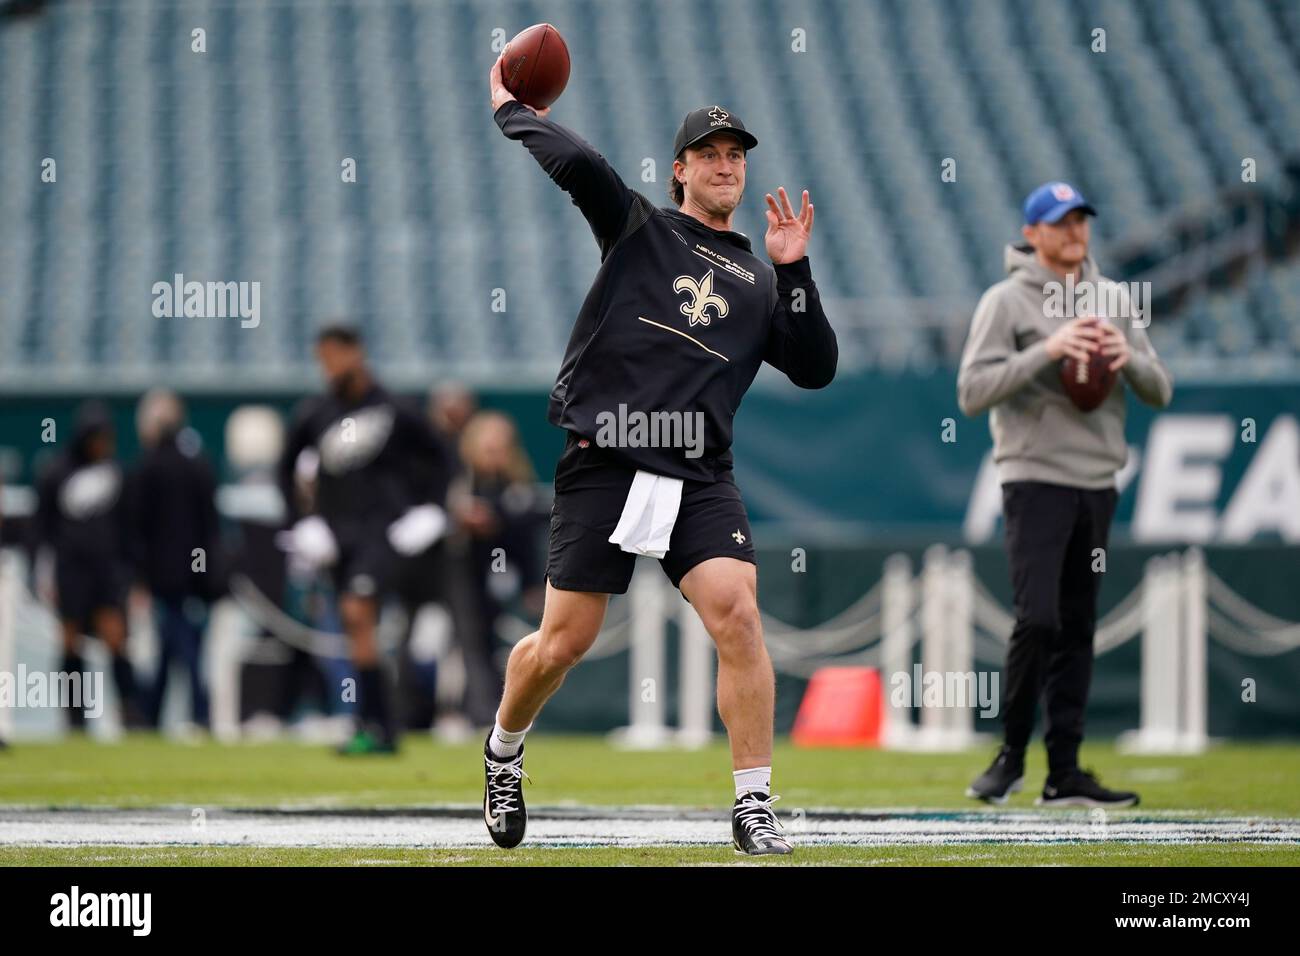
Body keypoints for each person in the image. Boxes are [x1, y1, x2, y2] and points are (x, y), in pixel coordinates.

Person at [485, 57, 838, 854]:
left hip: (698, 467)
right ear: (680, 170)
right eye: (709, 153)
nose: (725, 164)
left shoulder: (755, 274)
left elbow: (816, 367)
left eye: (736, 155)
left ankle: (753, 805)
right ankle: (503, 749)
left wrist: (795, 270)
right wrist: (510, 104)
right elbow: (580, 166)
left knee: (739, 616)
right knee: (562, 644)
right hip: (608, 455)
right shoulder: (641, 226)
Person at [957, 181, 1173, 808]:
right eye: (1060, 221)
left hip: (1098, 481)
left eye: (1081, 219)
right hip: (1033, 476)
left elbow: (1160, 387)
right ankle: (1010, 758)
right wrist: (1048, 349)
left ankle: (1065, 771)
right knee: (1039, 619)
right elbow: (971, 393)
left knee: (1078, 626)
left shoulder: (1114, 300)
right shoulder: (1005, 302)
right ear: (1032, 233)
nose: (1075, 230)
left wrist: (1125, 354)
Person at [278, 325, 453, 754]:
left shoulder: (396, 409)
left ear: (357, 353)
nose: (329, 367)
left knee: (357, 613)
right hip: (338, 537)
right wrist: (303, 521)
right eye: (323, 359)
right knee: (357, 627)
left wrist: (433, 509)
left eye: (335, 356)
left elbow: (443, 458)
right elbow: (286, 470)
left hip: (384, 533)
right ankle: (378, 727)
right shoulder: (315, 413)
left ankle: (378, 722)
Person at [33, 401, 143, 730]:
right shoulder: (56, 472)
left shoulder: (117, 474)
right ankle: (75, 716)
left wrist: (132, 576)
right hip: (71, 571)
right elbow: (42, 527)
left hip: (107, 573)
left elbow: (128, 529)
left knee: (116, 638)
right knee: (70, 640)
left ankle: (129, 711)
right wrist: (43, 571)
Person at [127, 389, 221, 732]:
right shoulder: (198, 463)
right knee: (175, 640)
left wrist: (138, 577)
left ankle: (199, 709)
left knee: (180, 639)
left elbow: (138, 528)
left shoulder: (147, 467)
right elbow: (210, 525)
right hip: (195, 571)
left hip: (165, 574)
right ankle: (152, 713)